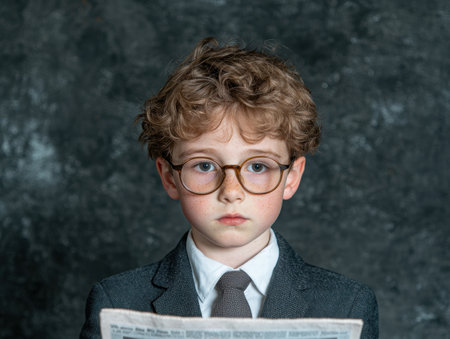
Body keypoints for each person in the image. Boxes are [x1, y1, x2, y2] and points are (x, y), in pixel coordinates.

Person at [80, 37, 378, 339]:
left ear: (291, 177)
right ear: (169, 177)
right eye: (205, 166)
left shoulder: (348, 304)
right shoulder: (116, 300)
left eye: (258, 166)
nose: (231, 191)